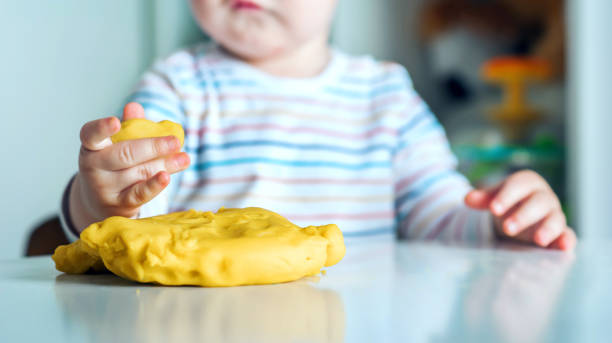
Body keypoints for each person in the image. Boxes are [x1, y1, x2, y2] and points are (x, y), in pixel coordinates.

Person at [59, 0, 576, 250]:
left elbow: (438, 217)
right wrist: (99, 198)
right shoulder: (176, 86)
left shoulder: (387, 97)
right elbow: (135, 216)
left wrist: (505, 224)